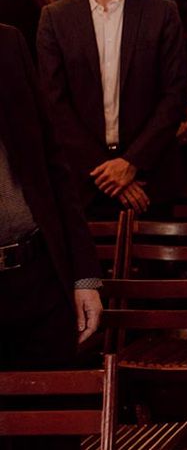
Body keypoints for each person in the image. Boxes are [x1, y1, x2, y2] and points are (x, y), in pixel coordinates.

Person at [36, 0, 187, 221]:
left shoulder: (162, 13)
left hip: (150, 178)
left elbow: (174, 96)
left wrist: (131, 163)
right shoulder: (55, 18)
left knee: (154, 272)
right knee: (91, 272)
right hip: (85, 182)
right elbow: (54, 103)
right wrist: (109, 174)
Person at [0, 23, 102, 449]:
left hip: (36, 275)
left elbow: (54, 162)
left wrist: (84, 277)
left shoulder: (8, 43)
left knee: (51, 432)